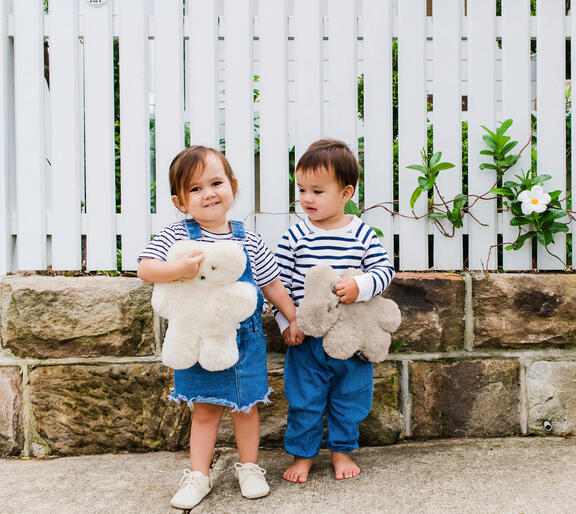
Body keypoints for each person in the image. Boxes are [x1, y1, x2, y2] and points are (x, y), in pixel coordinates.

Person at [137, 145, 299, 510]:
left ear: (233, 186)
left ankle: (250, 467)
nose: (208, 193)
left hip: (244, 339)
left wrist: (291, 316)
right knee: (206, 409)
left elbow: (271, 283)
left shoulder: (249, 238)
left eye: (215, 182)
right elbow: (145, 268)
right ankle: (198, 475)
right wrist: (178, 270)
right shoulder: (176, 236)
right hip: (197, 337)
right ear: (180, 201)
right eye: (195, 189)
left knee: (246, 407)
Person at [273, 139, 395, 483]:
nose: (307, 198)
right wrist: (287, 320)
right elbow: (277, 283)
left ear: (345, 193)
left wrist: (361, 288)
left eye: (317, 191)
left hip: (352, 337)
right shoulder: (294, 236)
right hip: (307, 338)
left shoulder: (362, 234)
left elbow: (384, 272)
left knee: (350, 398)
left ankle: (342, 450)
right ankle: (303, 456)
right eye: (302, 190)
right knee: (304, 400)